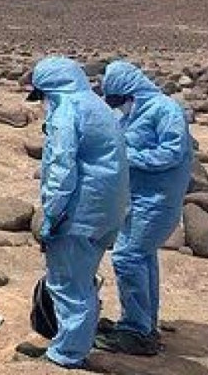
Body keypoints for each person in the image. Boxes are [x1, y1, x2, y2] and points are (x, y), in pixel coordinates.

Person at [20, 56, 130, 369]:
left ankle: (66, 356)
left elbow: (61, 168)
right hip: (105, 212)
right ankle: (74, 343)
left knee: (69, 285)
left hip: (80, 212)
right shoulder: (97, 107)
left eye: (41, 95)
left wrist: (52, 217)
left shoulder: (67, 111)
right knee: (82, 279)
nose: (42, 103)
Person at [95, 60, 192, 356]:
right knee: (142, 258)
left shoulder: (165, 109)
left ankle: (137, 331)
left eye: (120, 100)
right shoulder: (132, 113)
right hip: (139, 200)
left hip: (157, 201)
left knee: (127, 258)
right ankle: (141, 324)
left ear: (131, 91)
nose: (118, 106)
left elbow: (172, 153)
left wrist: (128, 156)